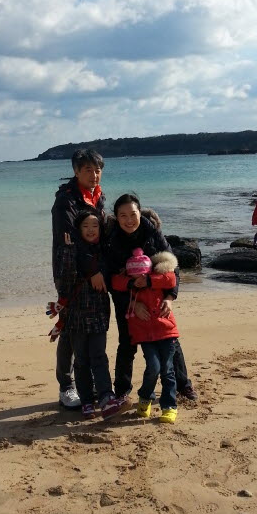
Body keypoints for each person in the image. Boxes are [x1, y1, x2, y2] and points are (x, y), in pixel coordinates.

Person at [106, 193, 197, 403]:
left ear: (140, 213)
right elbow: (112, 282)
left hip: (157, 299)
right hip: (127, 303)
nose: (129, 220)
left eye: (133, 214)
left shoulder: (154, 234)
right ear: (116, 217)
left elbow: (173, 268)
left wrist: (170, 297)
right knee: (127, 344)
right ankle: (122, 390)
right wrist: (133, 304)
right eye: (123, 215)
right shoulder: (112, 241)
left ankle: (184, 385)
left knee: (170, 342)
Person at [53, 210, 130, 421]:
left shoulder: (104, 250)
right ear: (78, 229)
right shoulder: (69, 250)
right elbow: (65, 282)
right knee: (81, 360)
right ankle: (87, 400)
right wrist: (69, 251)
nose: (90, 230)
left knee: (99, 357)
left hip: (98, 316)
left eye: (95, 226)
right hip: (76, 318)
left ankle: (106, 398)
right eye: (85, 226)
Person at [51, 148, 106, 410]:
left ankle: (87, 381)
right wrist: (92, 271)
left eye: (98, 170)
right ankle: (66, 385)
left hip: (95, 271)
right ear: (76, 171)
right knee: (70, 328)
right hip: (70, 271)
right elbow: (69, 242)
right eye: (88, 170)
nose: (94, 175)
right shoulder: (66, 200)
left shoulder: (98, 196)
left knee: (91, 325)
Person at [111, 247, 180, 423]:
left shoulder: (157, 279)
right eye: (136, 275)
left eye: (143, 274)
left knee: (168, 370)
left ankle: (169, 406)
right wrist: (132, 283)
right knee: (153, 368)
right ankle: (145, 397)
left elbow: (171, 278)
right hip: (145, 337)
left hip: (166, 332)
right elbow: (115, 282)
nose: (139, 278)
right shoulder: (131, 289)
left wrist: (149, 280)